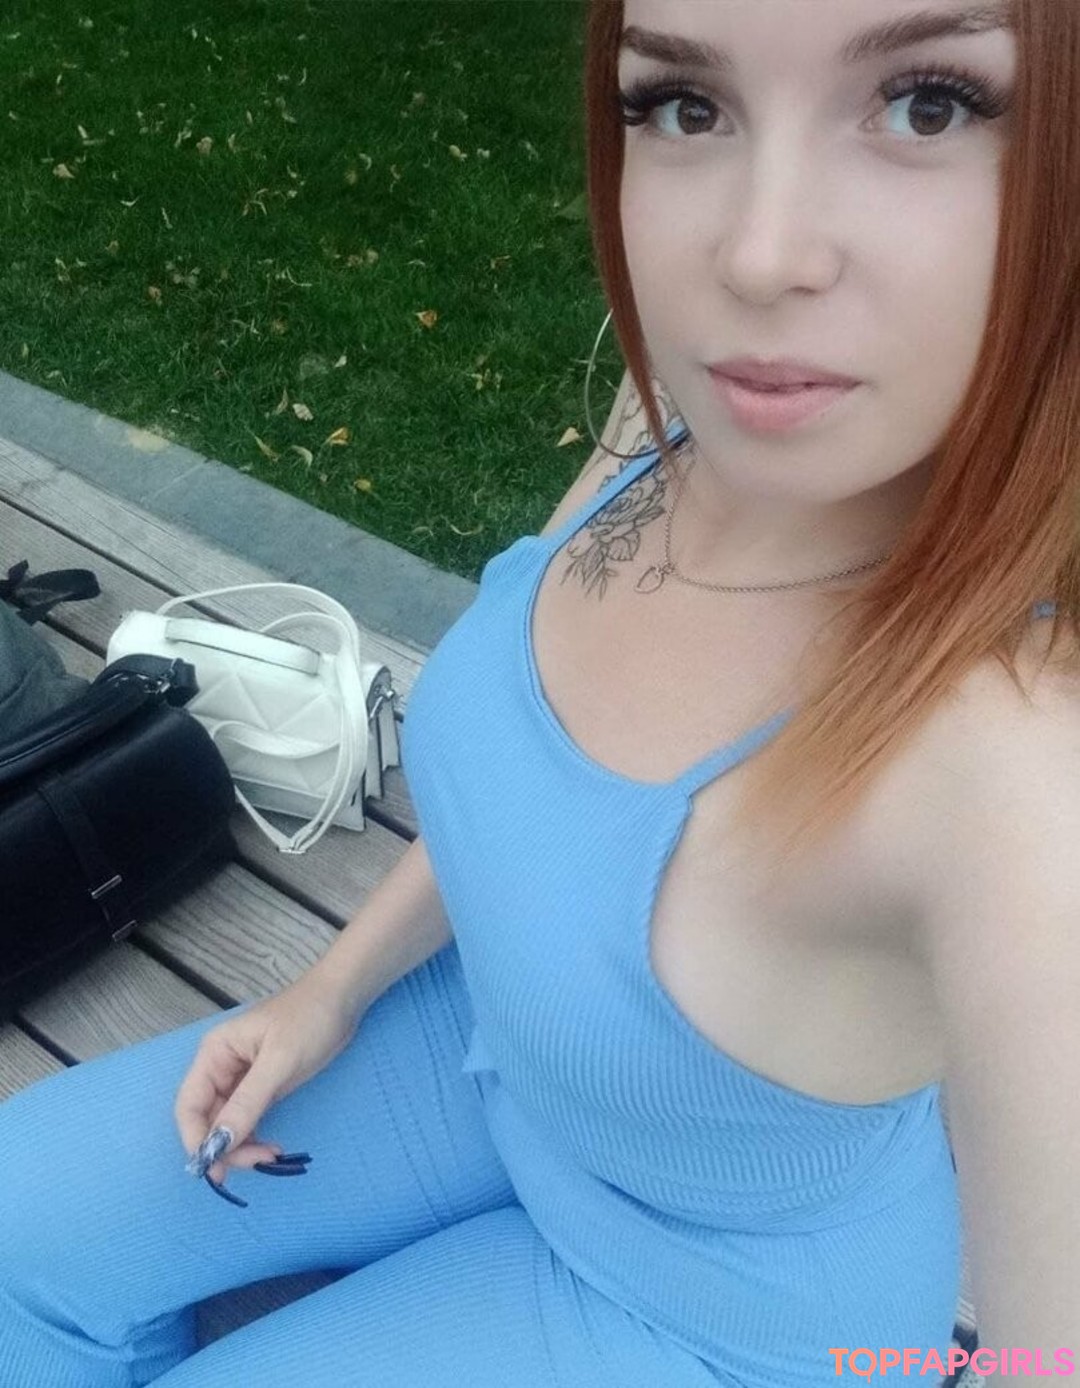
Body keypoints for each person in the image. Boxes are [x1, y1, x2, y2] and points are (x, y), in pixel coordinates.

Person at [2, 0, 1078, 1383]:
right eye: (685, 104)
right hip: (483, 1055)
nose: (756, 256)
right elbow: (542, 797)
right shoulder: (681, 419)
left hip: (707, 1304)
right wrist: (330, 988)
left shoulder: (1014, 777)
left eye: (930, 103)